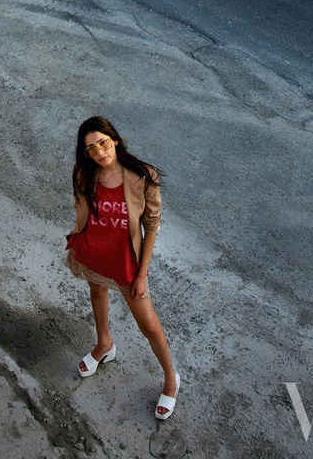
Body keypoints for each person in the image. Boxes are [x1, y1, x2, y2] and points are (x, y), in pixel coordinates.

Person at [65, 116, 180, 420]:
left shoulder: (142, 175)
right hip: (95, 255)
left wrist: (142, 273)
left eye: (103, 143)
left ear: (114, 139)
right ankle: (104, 343)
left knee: (149, 325)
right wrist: (80, 245)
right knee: (96, 294)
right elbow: (83, 212)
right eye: (91, 148)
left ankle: (171, 377)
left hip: (126, 263)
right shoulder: (84, 173)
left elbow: (151, 226)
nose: (99, 151)